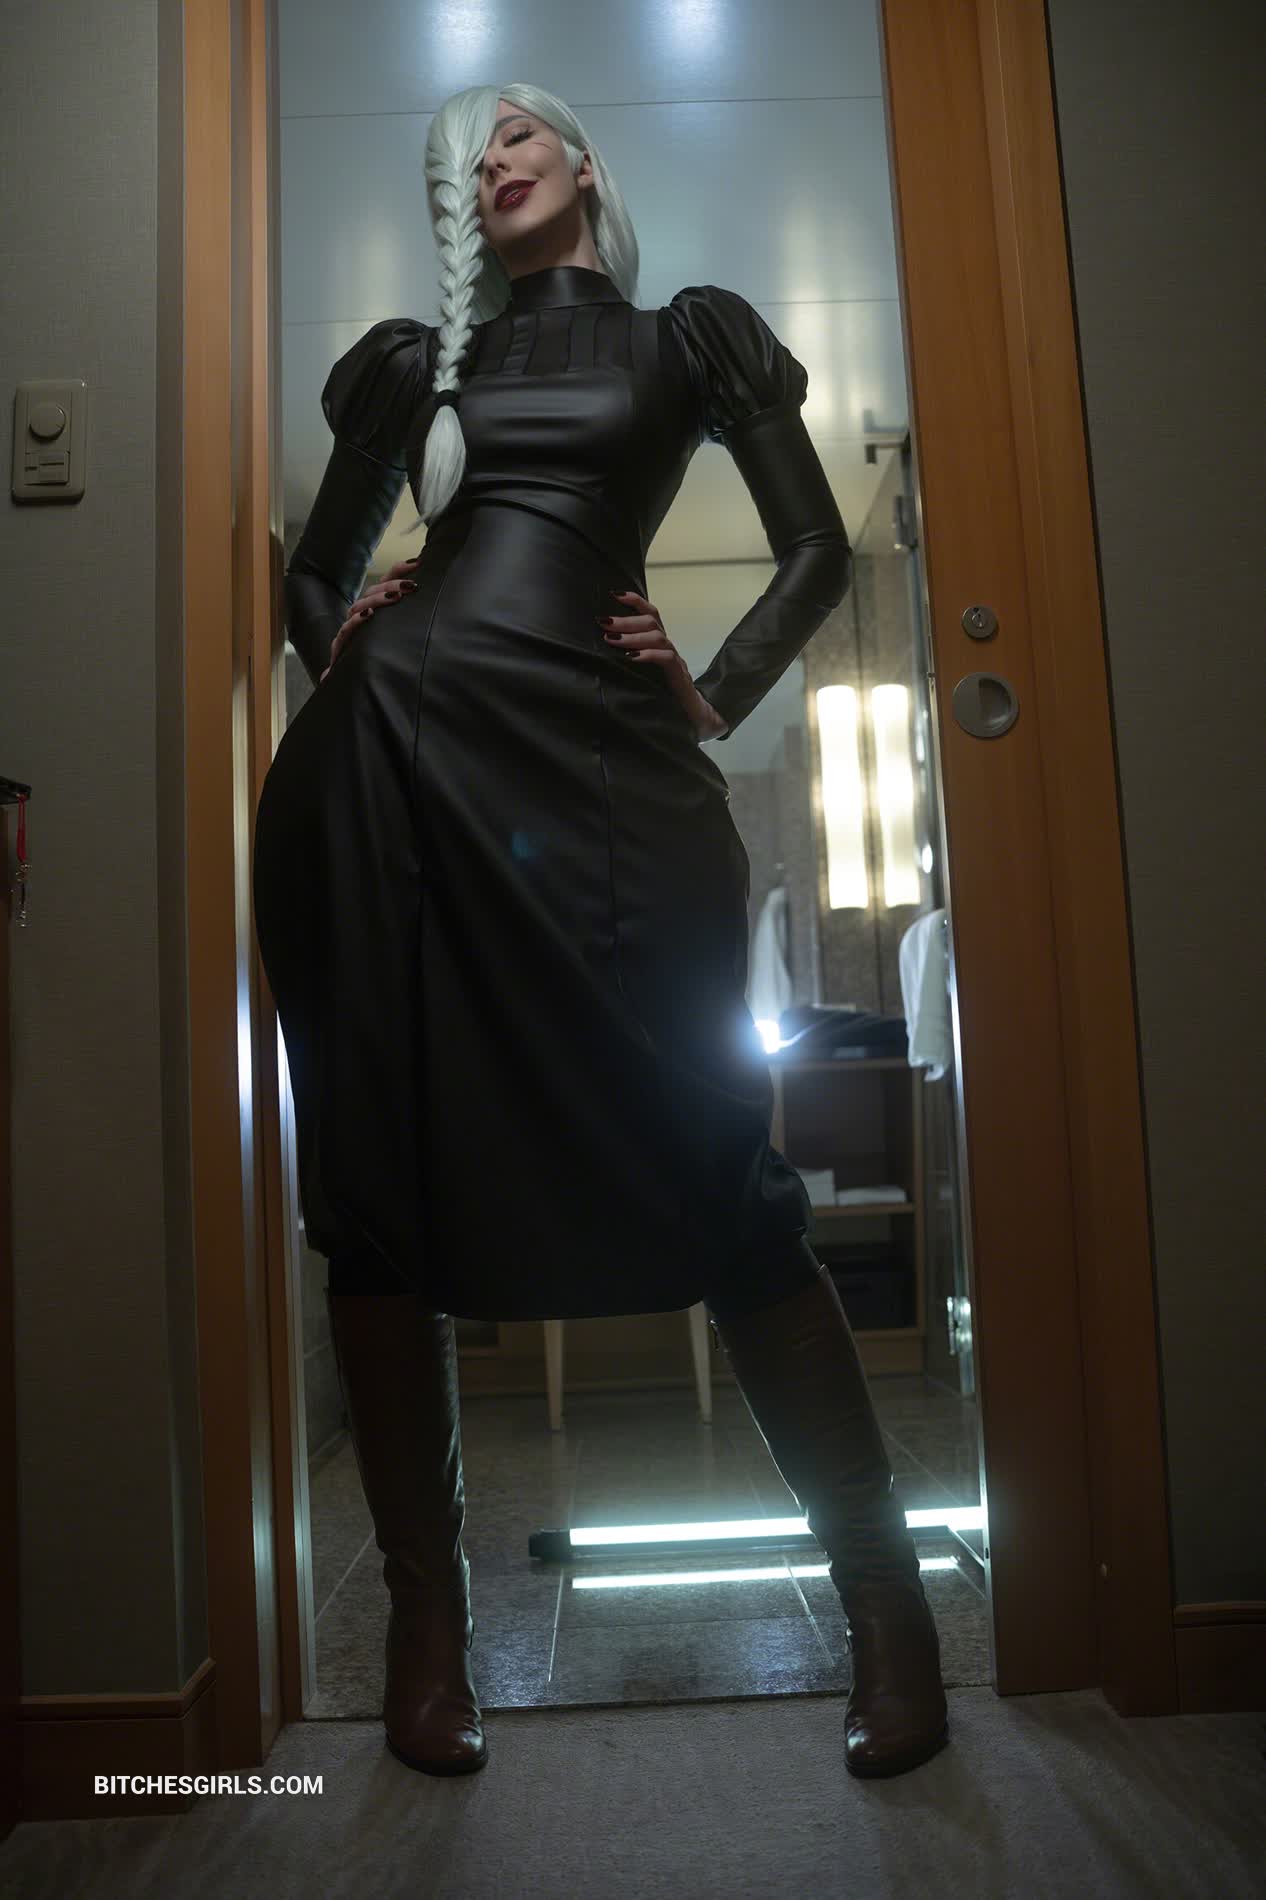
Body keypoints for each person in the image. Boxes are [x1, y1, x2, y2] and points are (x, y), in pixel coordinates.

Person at [252, 82, 949, 1783]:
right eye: (465, 156)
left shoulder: (682, 343)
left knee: (716, 1168)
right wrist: (356, 624)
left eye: (517, 138)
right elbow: (310, 586)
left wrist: (715, 686)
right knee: (381, 1180)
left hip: (605, 767)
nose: (489, 165)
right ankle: (430, 1631)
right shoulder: (418, 366)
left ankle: (887, 1613)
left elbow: (813, 548)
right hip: (399, 765)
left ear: (583, 165)